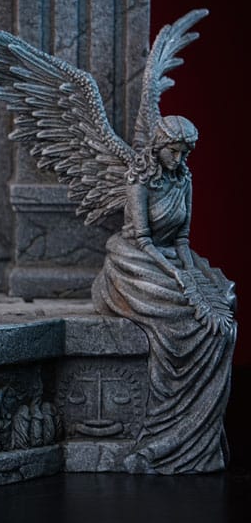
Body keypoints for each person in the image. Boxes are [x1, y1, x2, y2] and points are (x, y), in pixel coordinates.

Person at [92, 115, 236, 474]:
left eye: (185, 152)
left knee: (222, 309)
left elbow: (182, 240)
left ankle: (198, 434)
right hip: (136, 261)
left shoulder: (183, 178)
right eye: (174, 151)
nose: (180, 158)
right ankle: (165, 423)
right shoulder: (139, 180)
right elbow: (143, 239)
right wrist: (177, 277)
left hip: (172, 257)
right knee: (182, 311)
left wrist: (191, 274)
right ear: (158, 147)